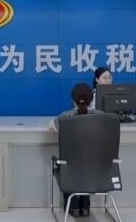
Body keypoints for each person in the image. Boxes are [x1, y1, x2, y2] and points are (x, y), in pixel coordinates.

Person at [49, 83, 98, 217]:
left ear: (73, 100)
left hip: (70, 168)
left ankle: (73, 206)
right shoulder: (101, 117)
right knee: (87, 164)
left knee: (69, 164)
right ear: (91, 100)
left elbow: (52, 126)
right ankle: (85, 206)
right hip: (96, 169)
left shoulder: (65, 116)